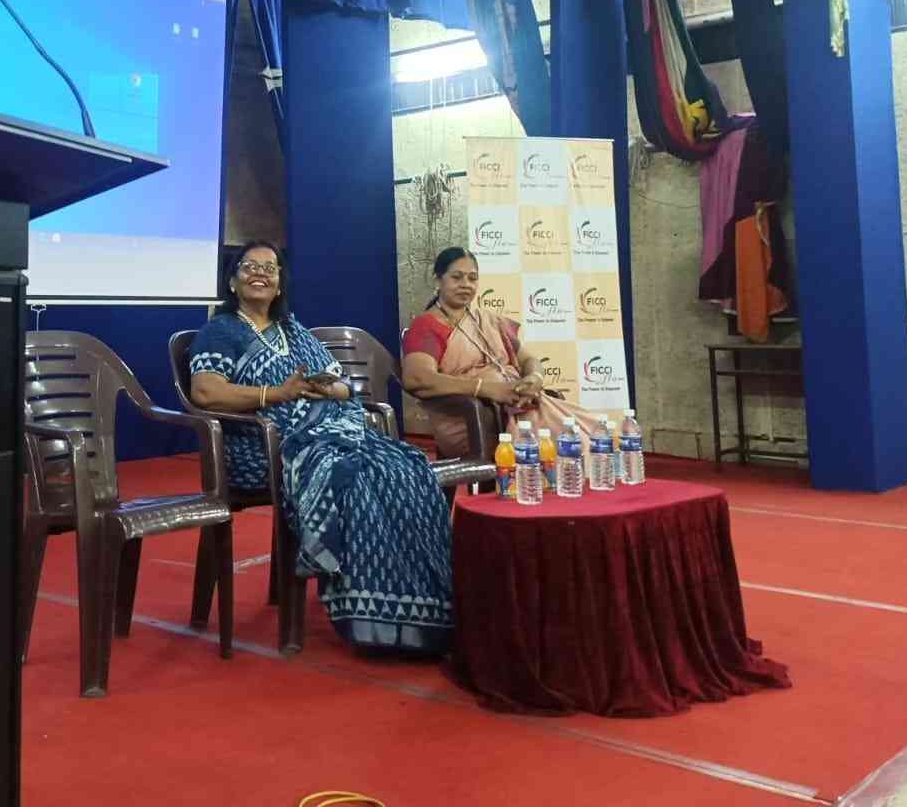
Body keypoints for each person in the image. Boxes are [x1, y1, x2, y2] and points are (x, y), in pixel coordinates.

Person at [188, 242, 453, 655]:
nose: (260, 273)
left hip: (322, 432)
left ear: (279, 284)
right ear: (232, 281)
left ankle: (424, 607)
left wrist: (328, 388)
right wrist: (276, 394)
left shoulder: (293, 330)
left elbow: (341, 383)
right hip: (258, 447)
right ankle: (373, 618)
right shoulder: (221, 330)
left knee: (405, 470)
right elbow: (206, 392)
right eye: (249, 266)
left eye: (270, 268)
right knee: (352, 478)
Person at [401, 247, 604, 458]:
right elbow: (417, 378)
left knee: (590, 434)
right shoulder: (427, 325)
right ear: (438, 280)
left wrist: (534, 378)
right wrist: (488, 389)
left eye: (472, 278)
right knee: (571, 445)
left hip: (517, 406)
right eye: (457, 277)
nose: (466, 284)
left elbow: (529, 359)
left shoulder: (489, 321)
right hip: (469, 420)